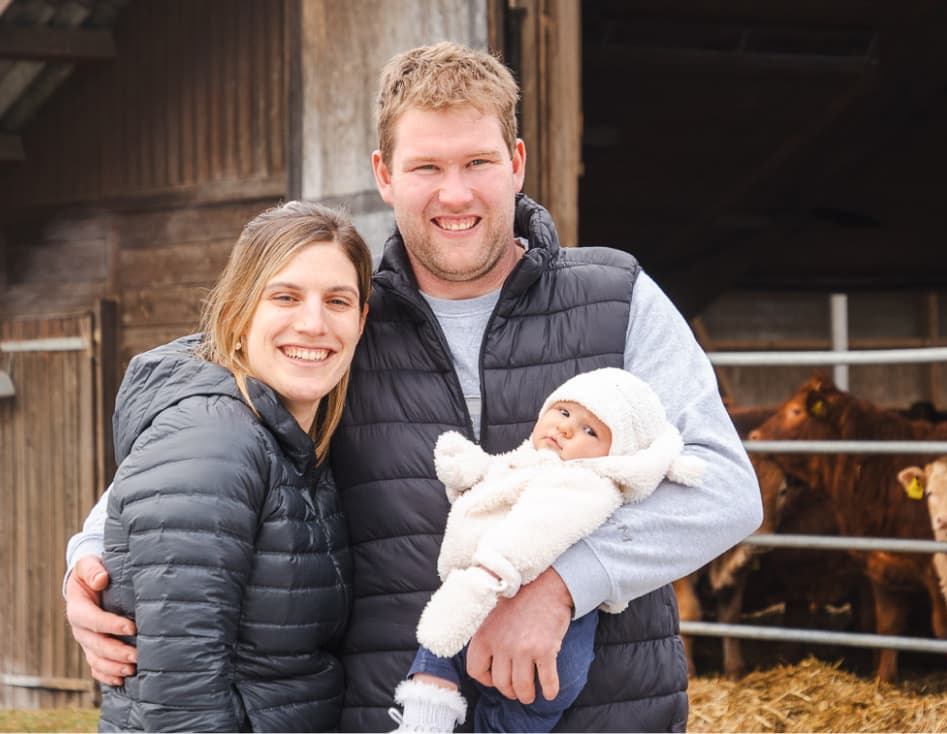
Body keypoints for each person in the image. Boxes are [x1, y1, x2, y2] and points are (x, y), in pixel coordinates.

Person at [65, 41, 763, 732]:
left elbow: (728, 488)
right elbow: (194, 437)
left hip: (607, 717)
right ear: (385, 174)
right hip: (398, 713)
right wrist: (88, 562)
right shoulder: (340, 322)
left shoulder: (617, 297)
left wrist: (561, 584)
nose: (454, 193)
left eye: (478, 162)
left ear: (517, 163)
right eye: (426, 166)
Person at [92, 201, 371, 731]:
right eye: (285, 297)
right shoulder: (213, 438)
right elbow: (182, 697)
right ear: (237, 315)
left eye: (337, 301)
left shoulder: (289, 441)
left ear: (361, 322)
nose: (314, 323)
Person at [395, 368, 706, 733]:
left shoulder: (583, 485)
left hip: (547, 640)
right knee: (508, 718)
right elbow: (501, 476)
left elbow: (535, 532)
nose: (566, 428)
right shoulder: (538, 463)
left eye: (590, 431)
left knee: (441, 642)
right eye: (564, 412)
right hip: (543, 649)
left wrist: (488, 574)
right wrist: (470, 469)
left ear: (615, 455)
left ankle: (423, 722)